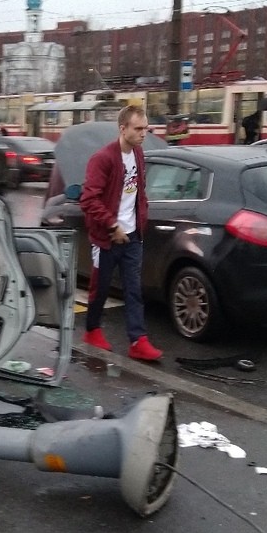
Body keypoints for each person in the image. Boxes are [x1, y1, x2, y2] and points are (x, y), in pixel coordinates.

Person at [79, 105, 162, 362]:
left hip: (133, 236)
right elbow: (88, 200)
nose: (143, 134)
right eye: (138, 129)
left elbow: (139, 192)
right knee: (100, 288)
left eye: (145, 128)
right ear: (122, 129)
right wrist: (112, 226)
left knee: (134, 290)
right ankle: (92, 330)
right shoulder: (103, 158)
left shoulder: (138, 154)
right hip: (107, 238)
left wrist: (138, 221)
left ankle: (138, 340)